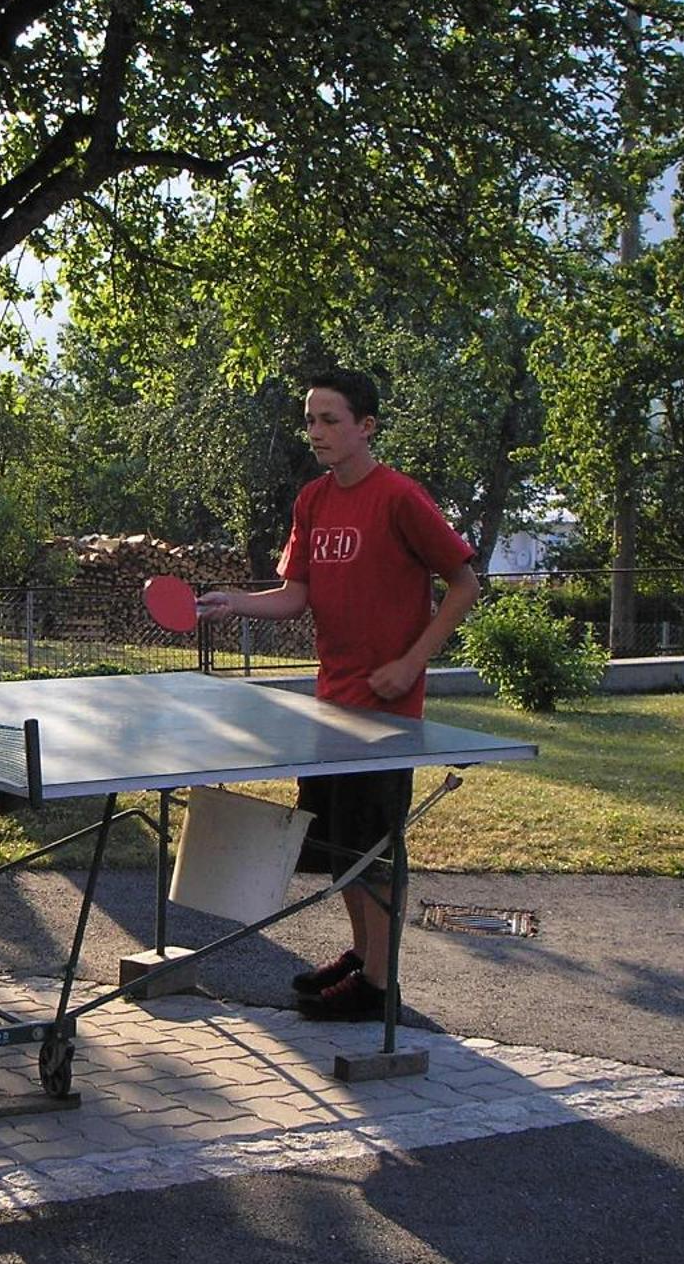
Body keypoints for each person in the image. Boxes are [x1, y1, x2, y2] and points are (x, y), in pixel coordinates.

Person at [198, 369, 479, 1021]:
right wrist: (233, 602)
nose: (316, 432)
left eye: (330, 419)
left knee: (374, 849)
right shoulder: (314, 501)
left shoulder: (399, 498)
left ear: (366, 427)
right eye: (310, 420)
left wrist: (411, 664)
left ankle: (380, 987)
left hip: (385, 712)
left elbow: (463, 583)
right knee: (340, 848)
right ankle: (362, 956)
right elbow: (298, 593)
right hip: (333, 705)